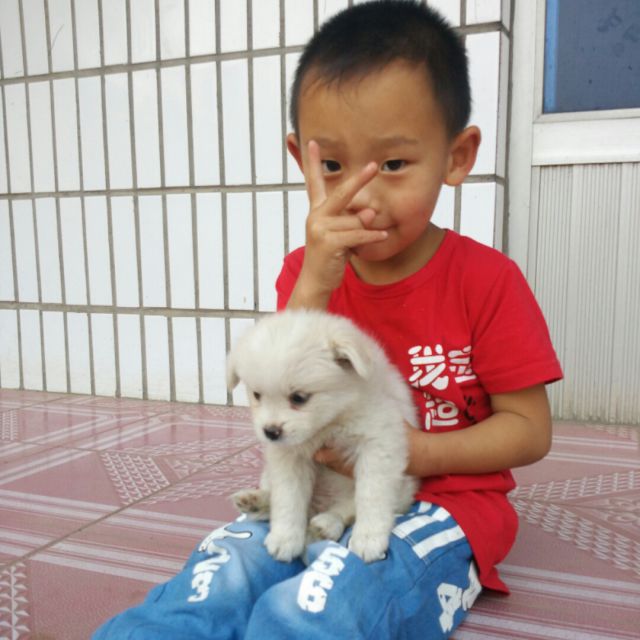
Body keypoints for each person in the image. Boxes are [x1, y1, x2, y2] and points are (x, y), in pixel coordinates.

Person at [93, 1, 562, 638]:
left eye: (392, 165)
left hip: (448, 502)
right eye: (334, 167)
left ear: (457, 156)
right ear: (301, 158)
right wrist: (315, 276)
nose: (360, 195)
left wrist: (419, 451)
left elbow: (530, 432)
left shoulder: (487, 281)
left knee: (334, 597)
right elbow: (278, 378)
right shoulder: (305, 273)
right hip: (320, 486)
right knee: (226, 568)